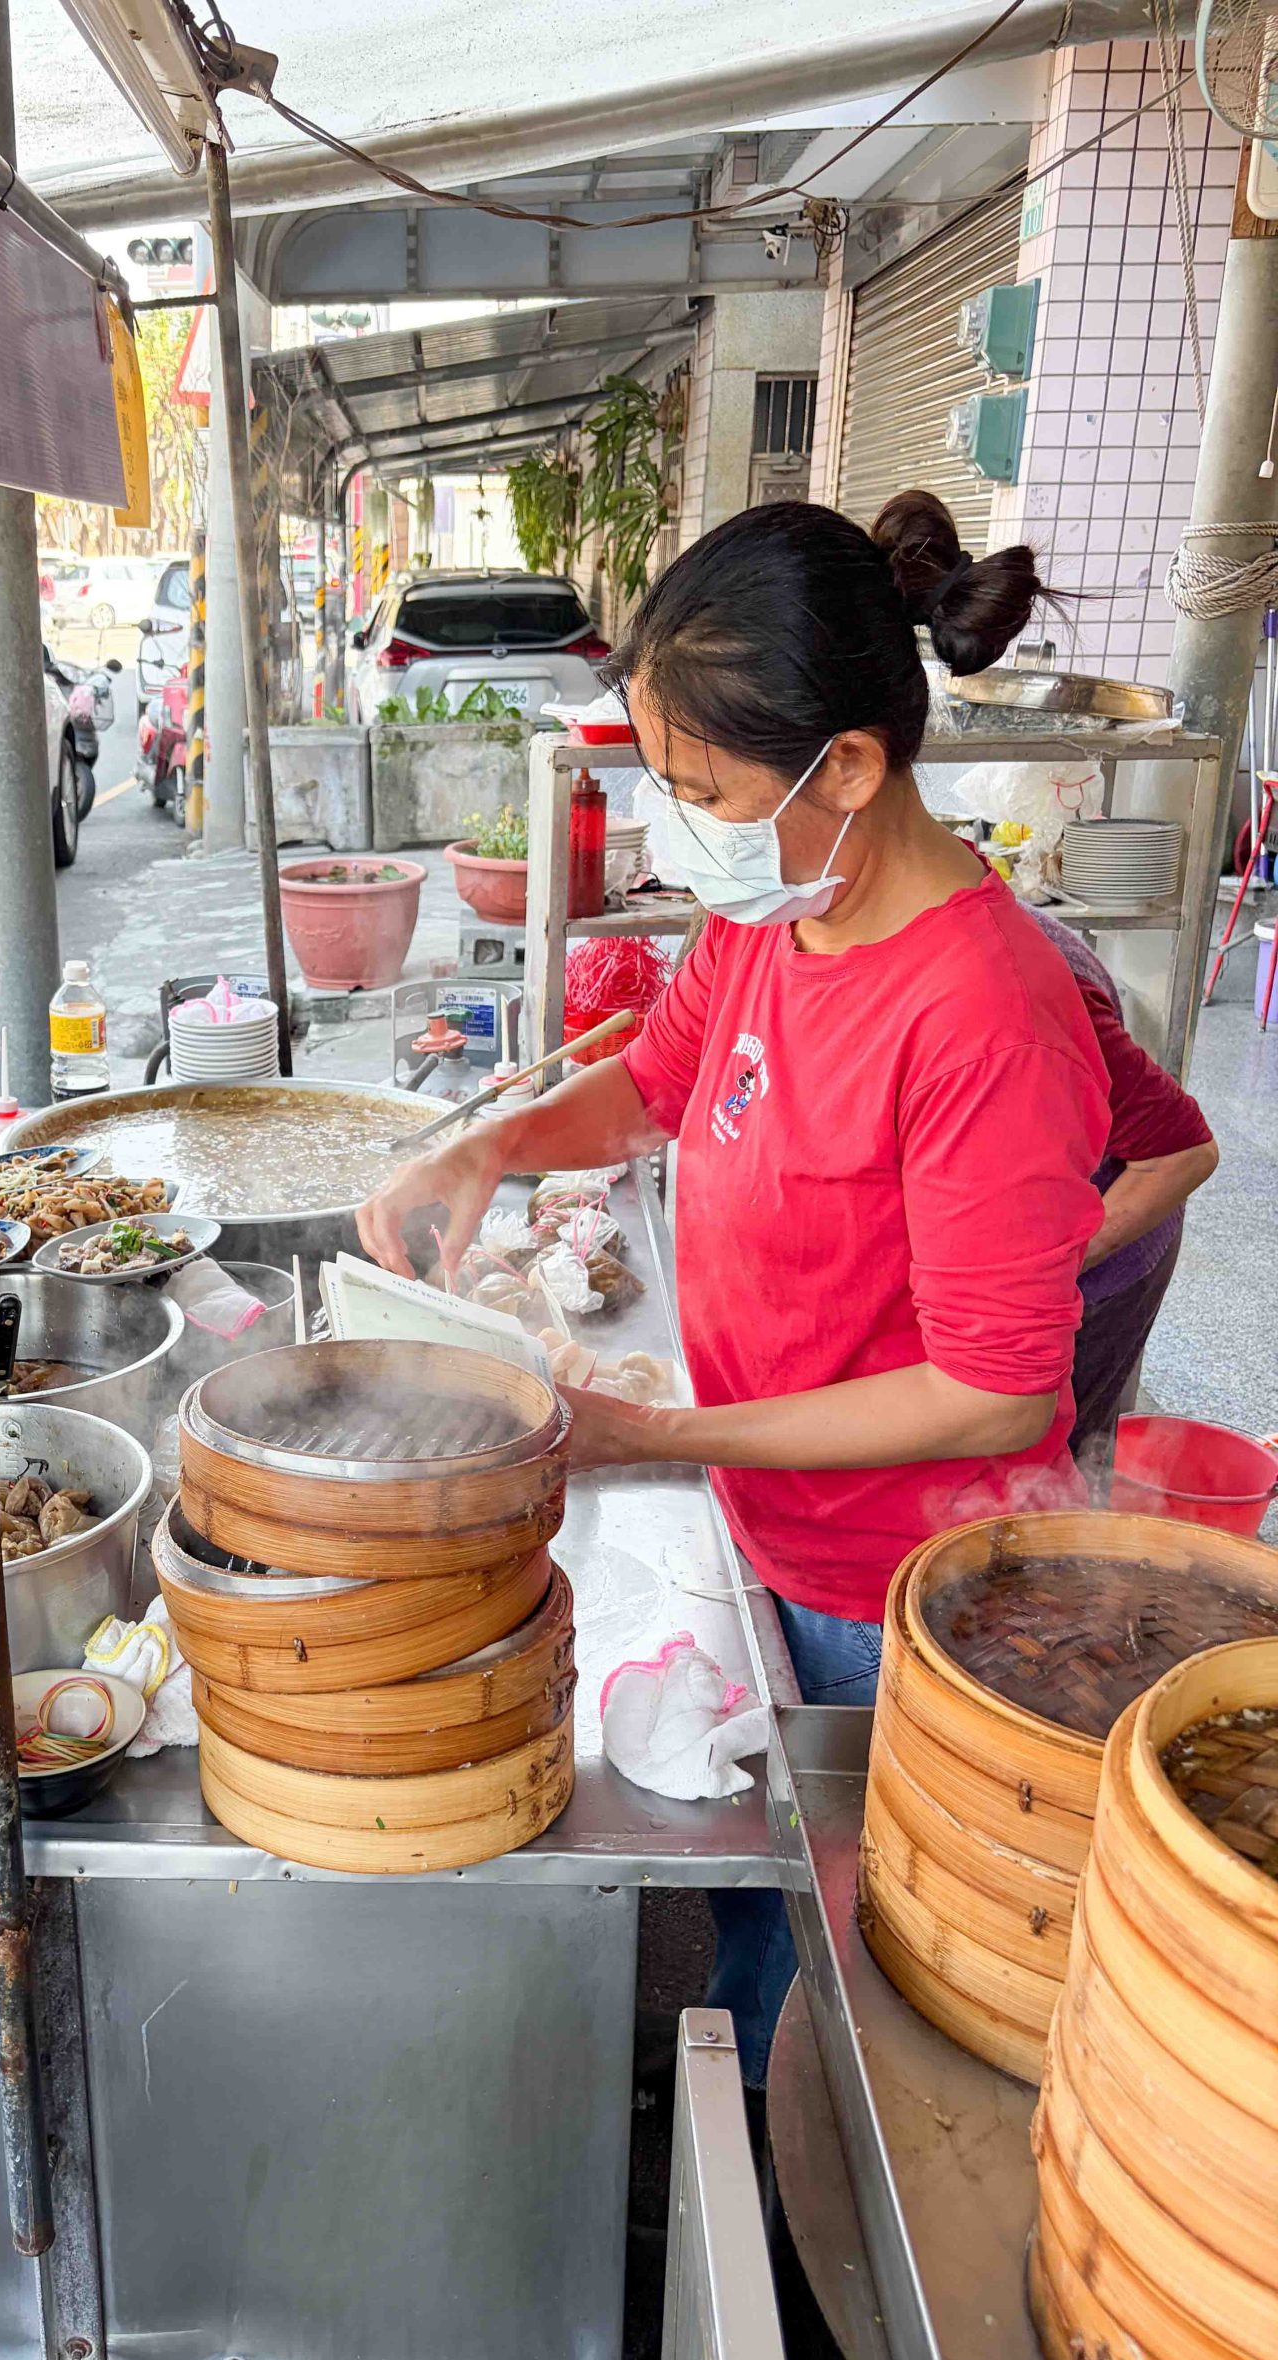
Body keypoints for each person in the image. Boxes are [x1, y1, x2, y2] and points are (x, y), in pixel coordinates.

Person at [358, 491, 1114, 2086]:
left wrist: (659, 1439)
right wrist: (490, 1146)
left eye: (702, 794)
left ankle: (770, 2168)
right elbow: (657, 1084)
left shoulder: (983, 1015)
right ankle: (730, 2065)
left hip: (887, 1592)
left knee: (840, 1951)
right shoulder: (780, 918)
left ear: (848, 769)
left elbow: (997, 1392)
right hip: (767, 1523)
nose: (677, 828)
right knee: (751, 1869)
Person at [1025, 911, 1217, 1482]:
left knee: (1050, 1475)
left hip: (1102, 1245)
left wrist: (1030, 1276)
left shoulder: (1025, 983)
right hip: (1027, 1253)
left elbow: (1182, 1154)